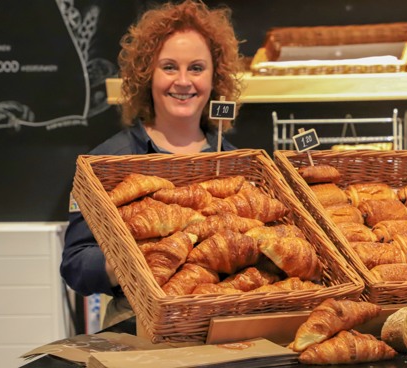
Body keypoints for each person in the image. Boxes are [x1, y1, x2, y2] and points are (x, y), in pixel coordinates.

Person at [60, 0, 244, 328]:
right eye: (169, 67)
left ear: (215, 78)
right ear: (147, 75)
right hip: (135, 327)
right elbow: (75, 264)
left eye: (197, 68)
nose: (184, 81)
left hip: (221, 329)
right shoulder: (108, 162)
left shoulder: (233, 164)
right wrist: (121, 265)